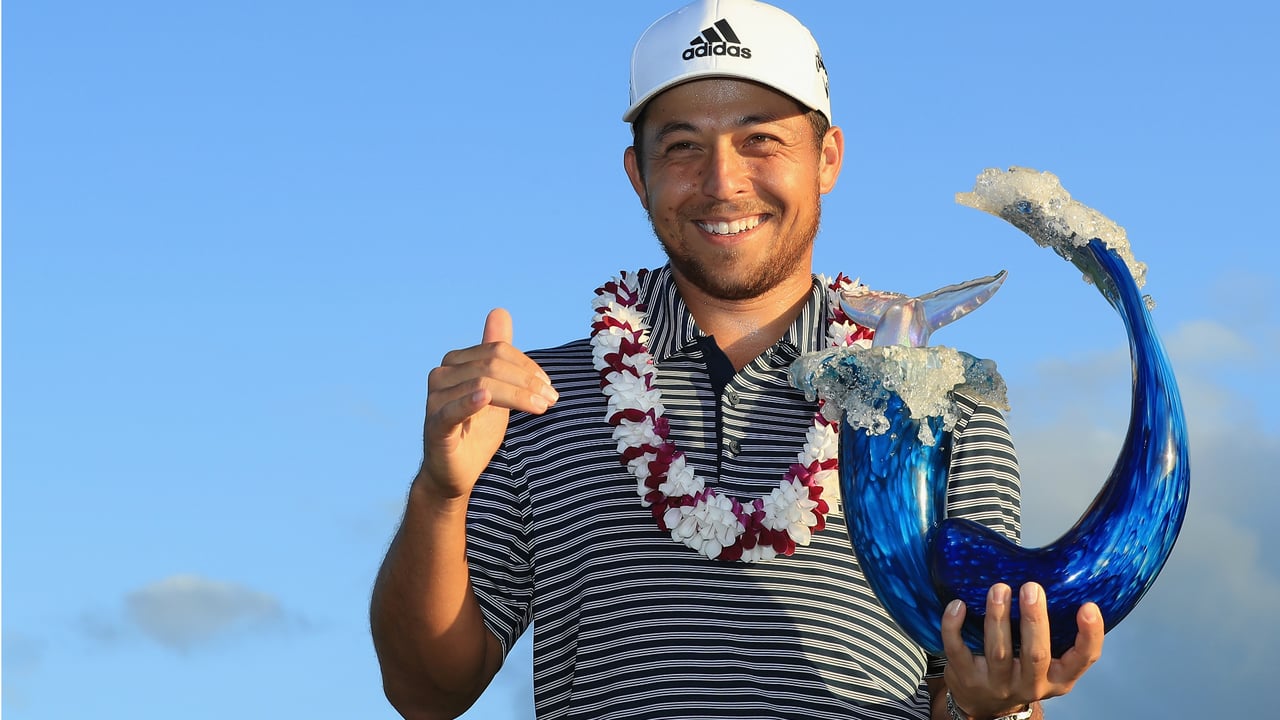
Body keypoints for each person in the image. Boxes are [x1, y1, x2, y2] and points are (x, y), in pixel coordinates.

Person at [369, 1, 1103, 718]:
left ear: (827, 159)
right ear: (638, 174)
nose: (722, 181)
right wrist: (440, 492)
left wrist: (996, 710)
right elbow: (426, 695)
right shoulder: (529, 397)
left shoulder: (942, 402)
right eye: (683, 146)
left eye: (760, 140)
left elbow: (974, 681)